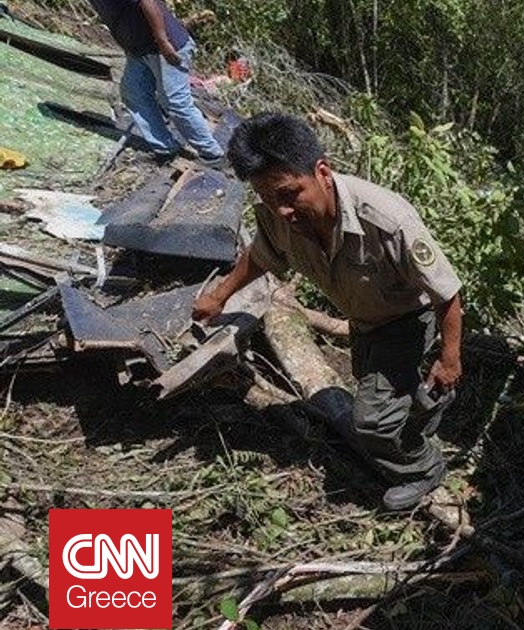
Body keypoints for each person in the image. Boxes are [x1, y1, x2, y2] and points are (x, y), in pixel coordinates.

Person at [192, 113, 464, 510]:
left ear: (322, 172)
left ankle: (424, 467)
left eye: (289, 194)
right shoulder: (276, 216)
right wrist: (219, 296)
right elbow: (261, 257)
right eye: (269, 199)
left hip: (406, 318)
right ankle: (418, 405)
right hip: (363, 319)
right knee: (381, 393)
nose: (282, 210)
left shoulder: (387, 219)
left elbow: (447, 292)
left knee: (371, 422)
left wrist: (450, 358)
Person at [87, 0, 225, 164]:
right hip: (139, 51)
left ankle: (212, 154)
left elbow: (148, 2)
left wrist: (163, 41)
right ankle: (165, 148)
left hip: (164, 47)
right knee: (134, 93)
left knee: (175, 102)